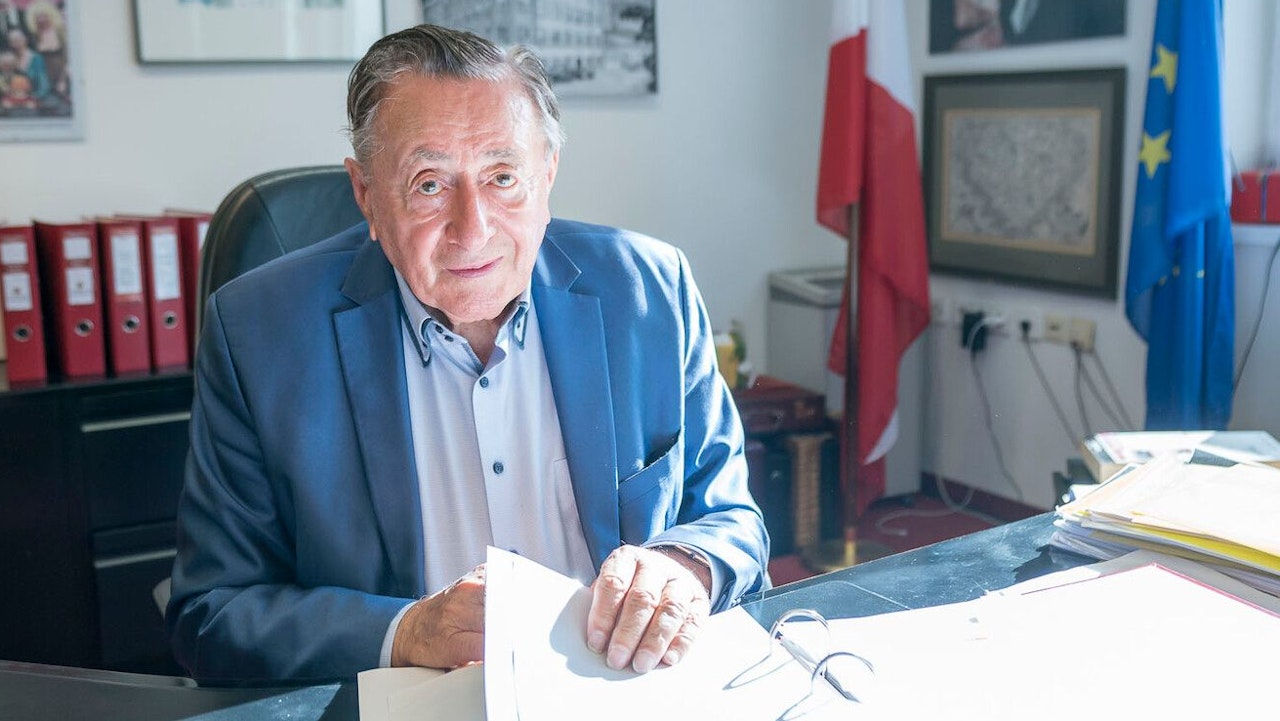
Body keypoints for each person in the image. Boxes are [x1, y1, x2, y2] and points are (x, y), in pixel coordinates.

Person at [166, 23, 769, 685]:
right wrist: (406, 631)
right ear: (366, 194)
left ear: (547, 174)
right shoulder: (259, 332)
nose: (472, 229)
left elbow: (731, 519)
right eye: (429, 184)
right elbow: (213, 612)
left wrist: (684, 567)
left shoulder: (649, 291)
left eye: (502, 177)